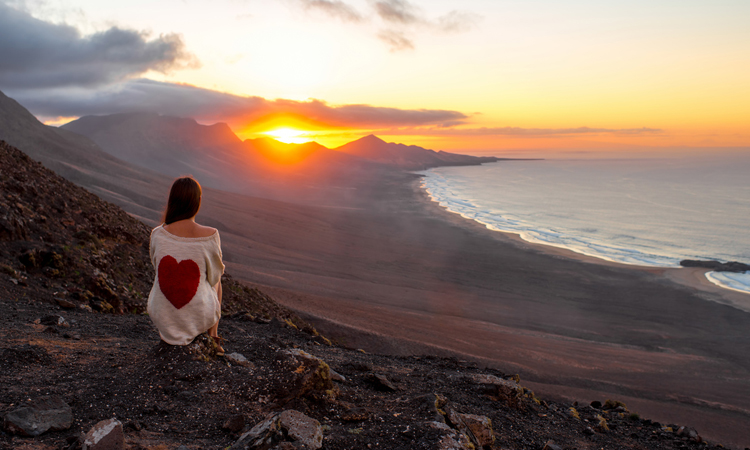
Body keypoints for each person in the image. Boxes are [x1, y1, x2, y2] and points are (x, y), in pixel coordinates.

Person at [147, 177, 226, 355]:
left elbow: (157, 267)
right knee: (217, 280)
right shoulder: (211, 235)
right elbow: (213, 277)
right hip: (200, 316)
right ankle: (213, 336)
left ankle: (171, 327)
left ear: (172, 201)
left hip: (160, 314)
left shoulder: (157, 234)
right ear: (197, 201)